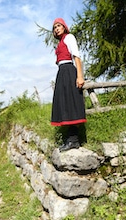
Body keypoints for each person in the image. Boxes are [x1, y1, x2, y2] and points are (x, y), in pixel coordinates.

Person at [51, 18, 87, 152]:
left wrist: (80, 75)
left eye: (59, 26)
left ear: (64, 27)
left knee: (71, 103)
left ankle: (74, 140)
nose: (56, 29)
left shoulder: (69, 37)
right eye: (55, 27)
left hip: (69, 71)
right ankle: (70, 139)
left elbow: (76, 56)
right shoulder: (60, 42)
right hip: (62, 72)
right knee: (64, 103)